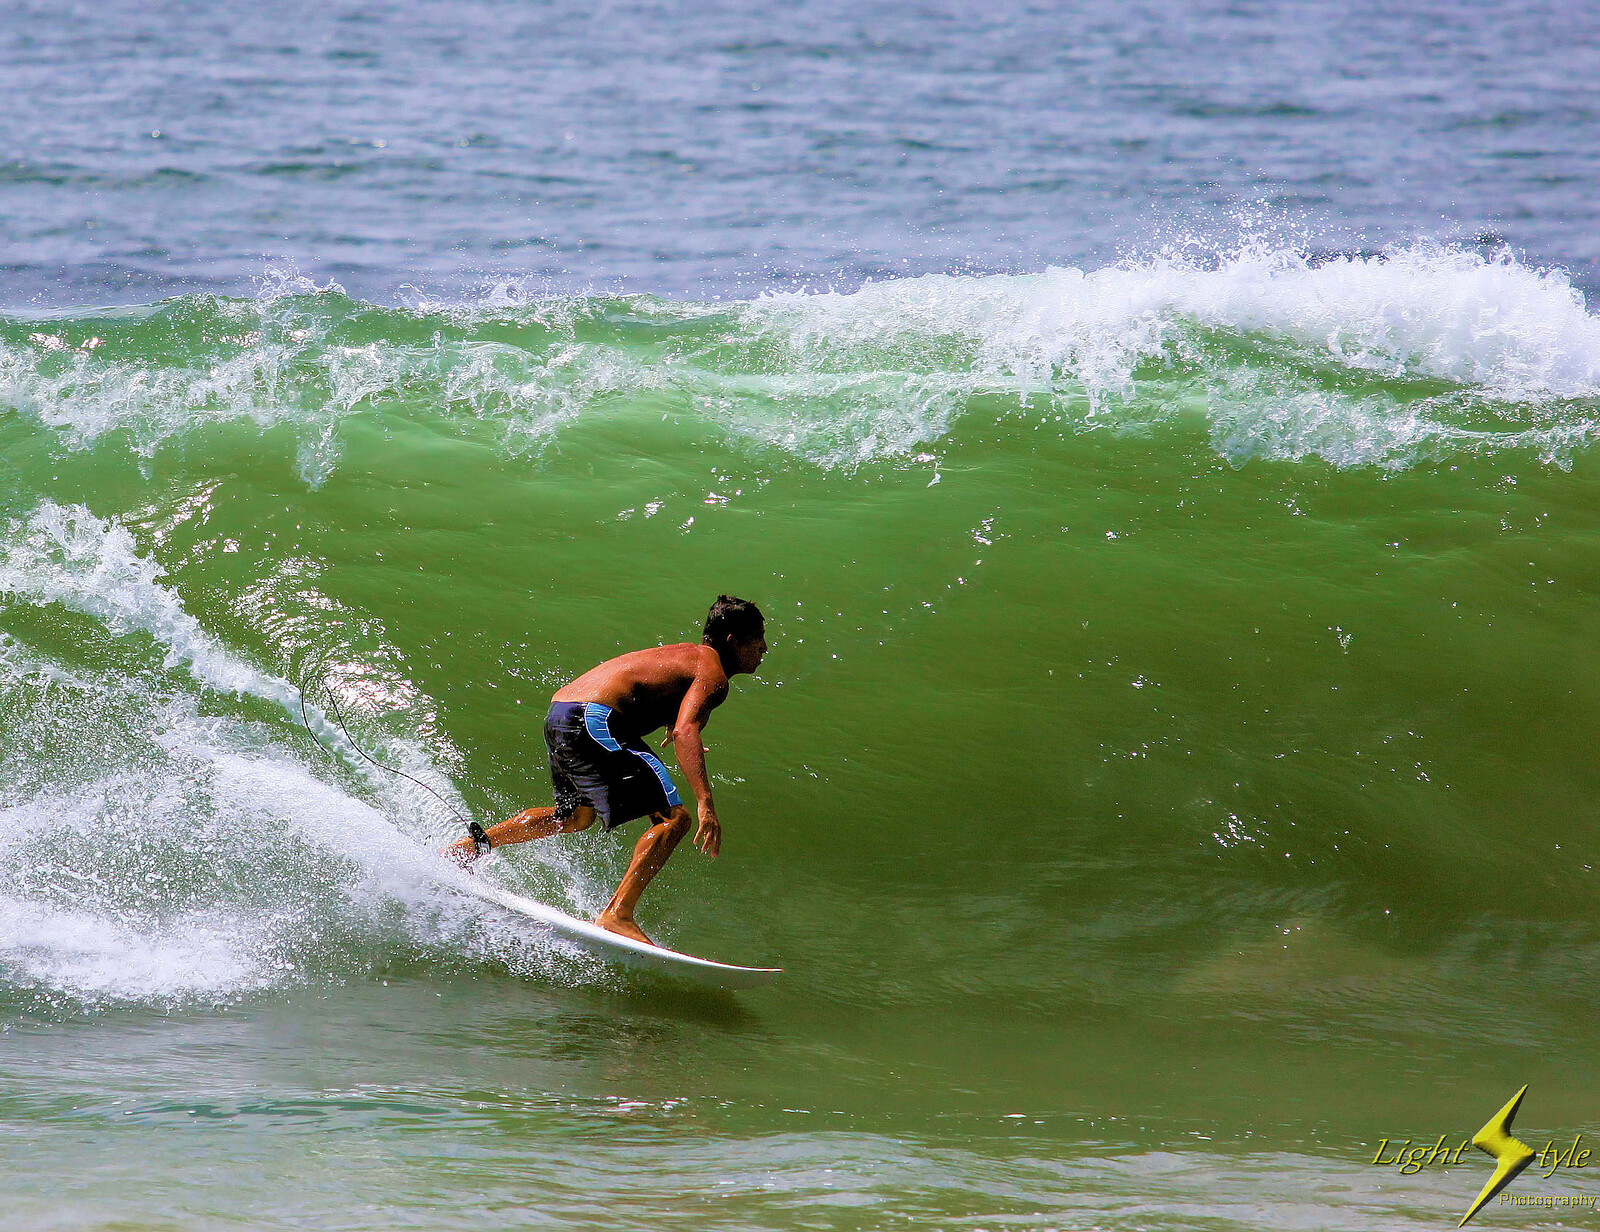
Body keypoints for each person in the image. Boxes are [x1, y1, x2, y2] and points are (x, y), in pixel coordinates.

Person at [445, 595, 767, 946]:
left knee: (575, 817)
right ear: (733, 641)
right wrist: (706, 802)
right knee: (676, 819)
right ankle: (618, 915)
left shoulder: (686, 656)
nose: (764, 648)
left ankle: (469, 848)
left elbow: (674, 714)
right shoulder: (713, 672)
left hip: (561, 713)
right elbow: (685, 730)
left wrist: (681, 730)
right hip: (595, 719)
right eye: (758, 638)